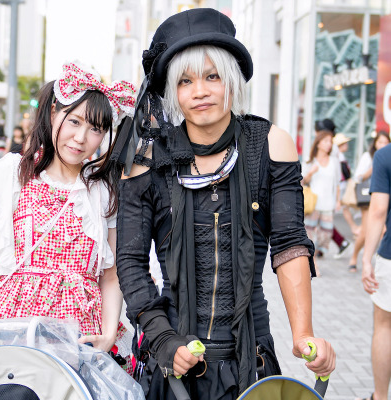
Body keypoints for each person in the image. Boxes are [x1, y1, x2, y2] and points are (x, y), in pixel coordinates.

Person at [111, 8, 335, 399]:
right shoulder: (147, 158)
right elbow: (129, 261)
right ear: (172, 91)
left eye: (212, 76)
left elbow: (289, 244)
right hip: (174, 365)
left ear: (231, 79)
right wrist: (163, 339)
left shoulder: (269, 144)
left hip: (253, 360)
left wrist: (303, 334)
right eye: (186, 80)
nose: (200, 91)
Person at [0, 62, 137, 367]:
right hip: (11, 327)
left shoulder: (102, 192)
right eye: (74, 121)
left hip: (79, 337)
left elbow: (110, 276)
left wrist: (109, 333)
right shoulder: (11, 176)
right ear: (54, 113)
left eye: (95, 129)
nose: (81, 138)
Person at [358, 138, 391, 400]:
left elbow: (378, 211)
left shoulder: (385, 156)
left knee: (384, 327)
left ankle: (380, 396)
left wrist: (366, 258)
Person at [348, 132, 391, 273]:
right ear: (375, 143)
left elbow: (379, 212)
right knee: (366, 231)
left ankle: (364, 256)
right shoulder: (369, 157)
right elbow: (358, 177)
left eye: (386, 142)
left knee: (380, 229)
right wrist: (371, 171)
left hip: (382, 202)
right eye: (380, 142)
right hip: (368, 199)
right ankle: (354, 257)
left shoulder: (383, 156)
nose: (383, 145)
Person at [303, 130, 341, 272]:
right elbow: (302, 181)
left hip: (328, 204)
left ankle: (315, 255)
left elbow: (337, 183)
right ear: (318, 143)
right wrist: (311, 172)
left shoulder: (334, 162)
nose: (328, 144)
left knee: (326, 235)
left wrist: (338, 201)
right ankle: (314, 263)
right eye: (325, 141)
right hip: (313, 204)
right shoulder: (310, 160)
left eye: (330, 142)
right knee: (310, 234)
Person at [314, 119, 350, 258]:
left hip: (329, 188)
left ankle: (335, 244)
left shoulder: (331, 147)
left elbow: (335, 175)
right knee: (321, 222)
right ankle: (322, 248)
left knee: (324, 223)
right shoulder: (330, 145)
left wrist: (337, 199)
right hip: (324, 188)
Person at [333, 133, 360, 242]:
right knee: (344, 208)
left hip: (341, 185)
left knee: (345, 208)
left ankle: (354, 228)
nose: (347, 145)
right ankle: (354, 228)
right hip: (341, 185)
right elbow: (345, 172)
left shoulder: (338, 155)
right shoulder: (339, 156)